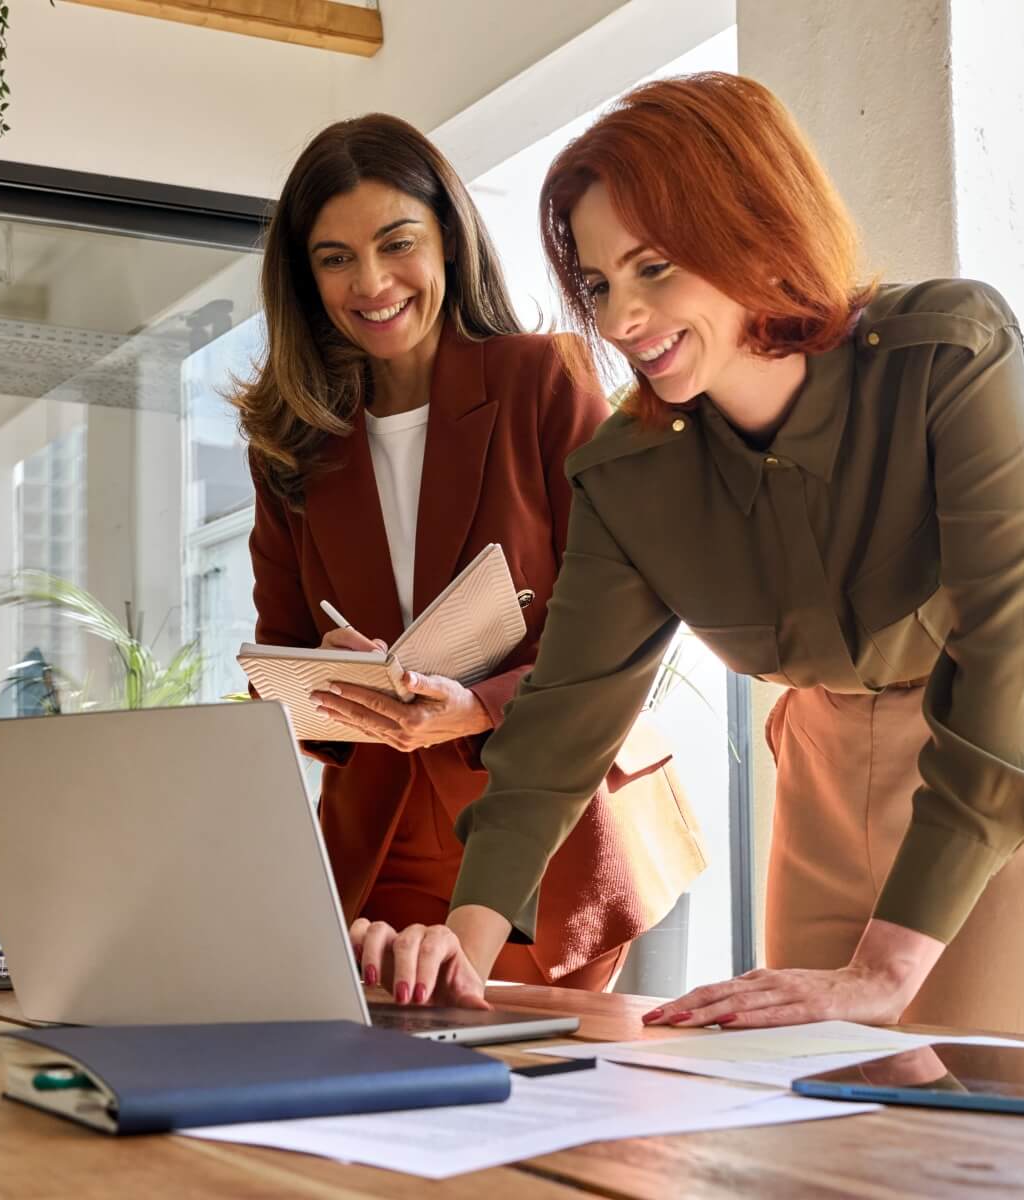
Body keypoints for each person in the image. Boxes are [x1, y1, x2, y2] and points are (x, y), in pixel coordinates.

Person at [347, 74, 1024, 1041]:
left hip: (1013, 742)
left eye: (652, 269)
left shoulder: (946, 357)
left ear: (753, 228)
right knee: (813, 1104)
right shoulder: (630, 473)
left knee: (1011, 1113)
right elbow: (563, 725)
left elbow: (1004, 658)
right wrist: (459, 954)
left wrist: (884, 970)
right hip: (820, 751)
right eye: (599, 285)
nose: (618, 320)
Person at [233, 113, 704, 1002]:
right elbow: (274, 667)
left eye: (395, 242)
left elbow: (622, 630)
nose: (370, 282)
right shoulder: (289, 446)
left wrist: (473, 706)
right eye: (334, 258)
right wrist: (323, 685)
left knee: (545, 1113)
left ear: (447, 236)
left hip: (552, 827)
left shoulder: (543, 382)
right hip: (381, 844)